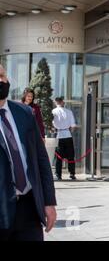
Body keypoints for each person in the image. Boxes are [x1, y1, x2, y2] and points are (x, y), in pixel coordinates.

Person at [0, 64, 57, 241]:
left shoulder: (24, 112)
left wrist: (49, 202)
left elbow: (41, 160)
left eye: (2, 75)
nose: (0, 80)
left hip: (29, 207)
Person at [52, 97, 77, 181]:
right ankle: (72, 173)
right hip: (68, 135)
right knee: (71, 156)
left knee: (58, 157)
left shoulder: (53, 111)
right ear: (62, 102)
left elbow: (51, 125)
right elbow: (73, 126)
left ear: (56, 102)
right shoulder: (69, 112)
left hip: (59, 135)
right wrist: (70, 131)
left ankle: (58, 175)